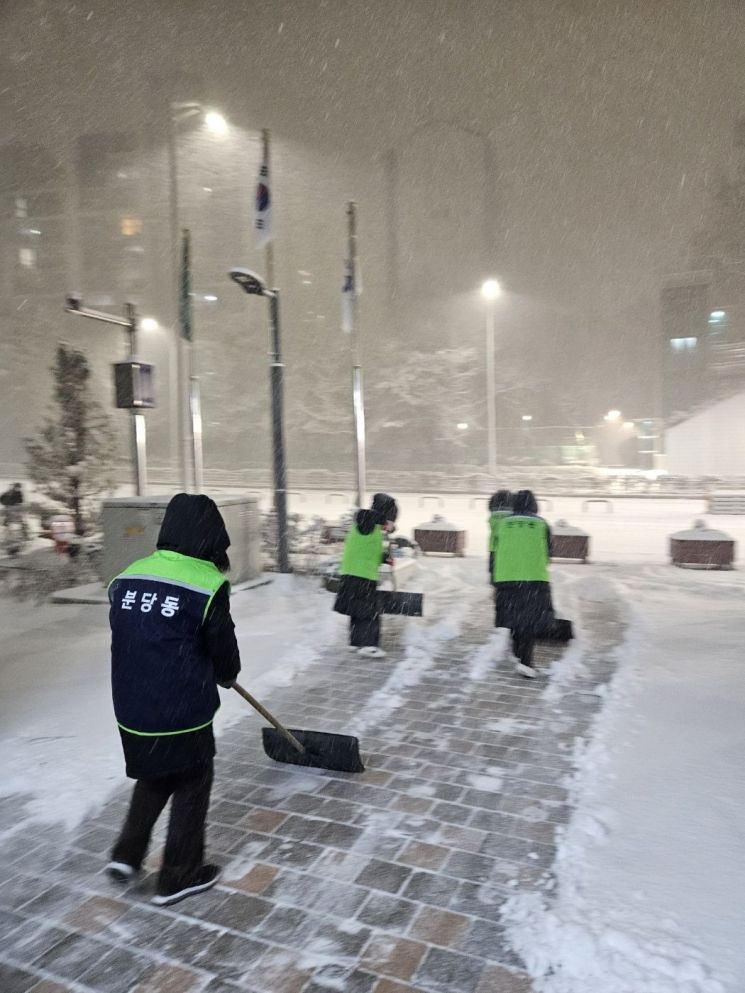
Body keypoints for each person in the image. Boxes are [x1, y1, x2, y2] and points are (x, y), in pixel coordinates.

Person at [106, 493, 241, 906]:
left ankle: (127, 856)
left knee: (156, 775)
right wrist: (226, 673)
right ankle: (178, 876)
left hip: (132, 708)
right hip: (182, 710)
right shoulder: (206, 584)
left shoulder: (129, 575)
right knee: (192, 780)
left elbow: (138, 632)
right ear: (212, 535)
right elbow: (222, 648)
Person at [492, 489, 553, 679]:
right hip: (534, 579)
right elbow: (549, 552)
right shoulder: (542, 524)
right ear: (534, 506)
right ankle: (526, 661)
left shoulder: (502, 524)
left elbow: (495, 552)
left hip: (506, 578)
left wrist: (494, 580)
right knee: (528, 621)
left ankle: (519, 651)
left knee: (514, 616)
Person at [334, 492, 398, 659]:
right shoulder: (366, 520)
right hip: (361, 575)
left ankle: (355, 643)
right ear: (385, 514)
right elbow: (366, 515)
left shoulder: (370, 528)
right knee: (372, 612)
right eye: (391, 520)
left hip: (353, 572)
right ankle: (369, 645)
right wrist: (386, 521)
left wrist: (385, 558)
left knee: (357, 610)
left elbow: (368, 550)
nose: (390, 526)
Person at [487, 489, 514, 581]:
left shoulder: (492, 518)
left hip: (494, 548)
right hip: (509, 548)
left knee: (494, 573)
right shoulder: (512, 518)